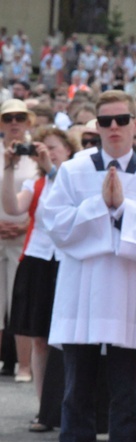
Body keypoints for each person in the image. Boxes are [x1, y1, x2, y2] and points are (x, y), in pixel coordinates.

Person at [41, 90, 136, 442]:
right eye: (105, 121)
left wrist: (122, 211)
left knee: (125, 395)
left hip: (130, 295)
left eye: (121, 120)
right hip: (84, 291)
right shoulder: (75, 171)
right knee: (76, 394)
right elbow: (55, 226)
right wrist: (101, 208)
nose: (113, 128)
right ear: (95, 126)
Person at [2, 127, 77, 432]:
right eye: (42, 148)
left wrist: (53, 168)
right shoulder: (36, 184)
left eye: (54, 147)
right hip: (37, 259)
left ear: (67, 151)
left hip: (65, 262)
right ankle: (44, 408)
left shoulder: (71, 180)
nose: (46, 152)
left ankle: (67, 405)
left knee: (66, 340)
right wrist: (8, 169)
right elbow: (12, 207)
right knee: (40, 338)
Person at [0, 99, 38, 381]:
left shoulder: (36, 154)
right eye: (8, 117)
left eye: (19, 118)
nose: (14, 122)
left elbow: (43, 191)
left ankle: (24, 366)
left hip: (25, 234)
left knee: (20, 299)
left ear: (27, 122)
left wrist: (26, 223)